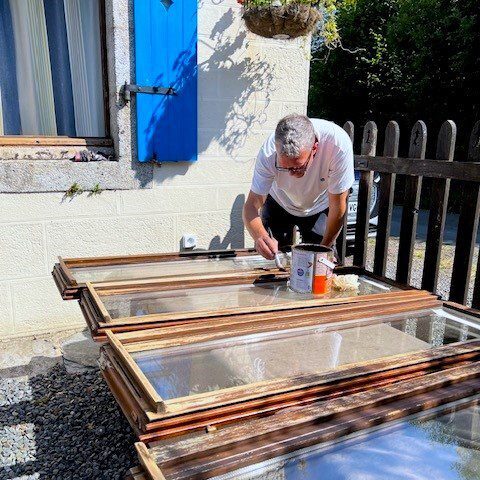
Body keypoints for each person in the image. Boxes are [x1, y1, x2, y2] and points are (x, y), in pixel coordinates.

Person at [243, 114, 354, 260]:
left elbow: (338, 206)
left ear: (315, 148)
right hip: (279, 201)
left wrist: (324, 249)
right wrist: (260, 237)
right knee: (273, 258)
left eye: (298, 167)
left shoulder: (337, 145)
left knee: (322, 262)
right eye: (284, 167)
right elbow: (251, 206)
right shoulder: (268, 152)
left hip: (319, 204)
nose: (291, 174)